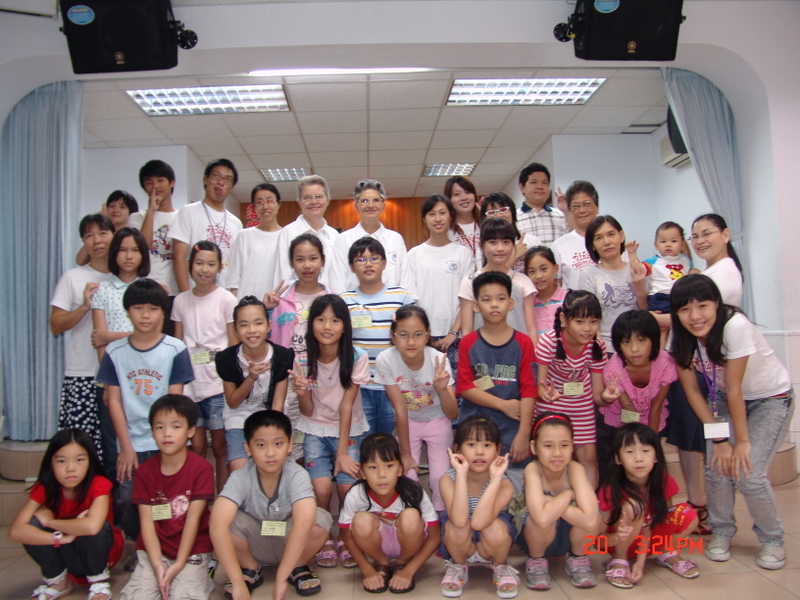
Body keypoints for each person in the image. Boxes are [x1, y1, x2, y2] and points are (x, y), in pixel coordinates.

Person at [670, 274, 793, 570]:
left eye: (702, 306)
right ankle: (722, 531)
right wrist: (720, 440)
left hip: (770, 399)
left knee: (748, 472)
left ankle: (772, 539)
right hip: (723, 399)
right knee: (716, 467)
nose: (694, 316)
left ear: (717, 304)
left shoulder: (734, 326)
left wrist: (742, 442)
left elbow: (735, 386)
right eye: (685, 309)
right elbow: (692, 391)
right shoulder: (680, 336)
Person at [94, 278, 195, 541]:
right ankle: (141, 545)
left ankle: (167, 545)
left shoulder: (175, 349)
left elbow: (174, 403)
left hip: (166, 440)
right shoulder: (114, 352)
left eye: (153, 309)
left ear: (163, 312)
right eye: (138, 308)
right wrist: (126, 447)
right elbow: (114, 401)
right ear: (128, 312)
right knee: (128, 498)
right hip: (131, 441)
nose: (145, 315)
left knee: (170, 498)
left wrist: (169, 443)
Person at [210, 410, 332, 600]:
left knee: (318, 519)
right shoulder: (240, 476)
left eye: (278, 443)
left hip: (289, 539)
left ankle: (295, 567)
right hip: (254, 542)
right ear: (248, 448)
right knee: (221, 520)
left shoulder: (297, 474)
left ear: (290, 445)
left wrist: (281, 578)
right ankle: (250, 568)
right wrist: (237, 582)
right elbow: (217, 526)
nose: (270, 453)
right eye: (261, 445)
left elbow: (303, 523)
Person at [289, 294, 371, 569]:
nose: (327, 326)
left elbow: (347, 406)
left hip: (349, 430)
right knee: (321, 489)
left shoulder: (357, 357)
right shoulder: (303, 359)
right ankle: (323, 535)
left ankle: (347, 536)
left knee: (347, 488)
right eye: (321, 319)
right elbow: (308, 411)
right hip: (314, 429)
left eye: (335, 320)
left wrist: (342, 453)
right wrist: (302, 393)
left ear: (345, 326)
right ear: (311, 324)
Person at [119, 395, 216, 600]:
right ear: (152, 432)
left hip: (192, 549)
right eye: (159, 427)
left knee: (182, 596)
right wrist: (157, 565)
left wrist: (179, 563)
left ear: (190, 431)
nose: (167, 433)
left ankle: (202, 578)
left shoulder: (202, 468)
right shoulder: (145, 471)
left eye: (175, 426)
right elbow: (146, 523)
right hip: (154, 549)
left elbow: (193, 520)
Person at [9, 429, 123, 600]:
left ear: (90, 461)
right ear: (51, 463)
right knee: (33, 524)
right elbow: (16, 531)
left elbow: (93, 527)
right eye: (61, 461)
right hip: (67, 551)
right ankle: (59, 582)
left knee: (98, 525)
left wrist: (51, 522)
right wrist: (61, 539)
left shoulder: (99, 484)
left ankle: (98, 581)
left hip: (99, 553)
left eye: (79, 460)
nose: (71, 468)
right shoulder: (45, 487)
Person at [456, 271, 536, 493]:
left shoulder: (524, 343)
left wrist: (524, 434)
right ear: (475, 306)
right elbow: (464, 386)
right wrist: (503, 405)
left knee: (515, 491)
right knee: (476, 492)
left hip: (512, 431)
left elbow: (529, 390)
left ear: (511, 303)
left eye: (500, 298)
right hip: (476, 430)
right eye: (486, 299)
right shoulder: (468, 343)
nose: (494, 304)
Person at [374, 305, 458, 511]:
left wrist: (441, 390)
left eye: (418, 334)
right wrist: (405, 454)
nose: (411, 342)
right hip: (408, 421)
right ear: (393, 336)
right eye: (403, 335)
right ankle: (414, 514)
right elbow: (400, 409)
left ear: (427, 334)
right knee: (408, 475)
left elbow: (452, 413)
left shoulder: (439, 360)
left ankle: (440, 513)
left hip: (438, 419)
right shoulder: (385, 359)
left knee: (439, 478)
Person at [598, 423, 699, 588]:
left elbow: (657, 522)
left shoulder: (663, 481)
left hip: (649, 540)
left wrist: (640, 562)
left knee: (688, 513)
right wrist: (617, 537)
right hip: (619, 543)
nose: (638, 458)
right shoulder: (609, 489)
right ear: (618, 458)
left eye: (645, 451)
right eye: (629, 452)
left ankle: (666, 552)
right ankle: (619, 560)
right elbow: (598, 541)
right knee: (635, 506)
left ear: (656, 456)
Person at [171, 241, 238, 492]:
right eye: (199, 263)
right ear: (190, 266)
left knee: (220, 445)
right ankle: (198, 497)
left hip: (217, 385)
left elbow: (233, 345)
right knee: (196, 445)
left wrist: (232, 380)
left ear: (220, 267)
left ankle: (222, 497)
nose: (204, 269)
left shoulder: (227, 299)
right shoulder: (180, 300)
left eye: (211, 264)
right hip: (190, 385)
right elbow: (177, 344)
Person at [338, 433, 441, 594]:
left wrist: (409, 570)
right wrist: (367, 570)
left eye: (389, 466)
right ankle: (381, 564)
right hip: (376, 546)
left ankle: (402, 564)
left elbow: (434, 537)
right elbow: (347, 536)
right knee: (361, 520)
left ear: (400, 469)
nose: (382, 475)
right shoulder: (356, 494)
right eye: (373, 467)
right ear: (362, 472)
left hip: (408, 544)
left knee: (411, 516)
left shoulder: (413, 491)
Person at [50, 214, 113, 464]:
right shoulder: (73, 277)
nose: (97, 240)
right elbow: (56, 325)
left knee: (115, 447)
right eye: (89, 235)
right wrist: (84, 306)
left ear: (114, 235)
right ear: (83, 242)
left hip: (119, 375)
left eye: (103, 233)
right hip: (82, 375)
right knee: (79, 449)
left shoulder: (125, 277)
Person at [264, 233, 330, 461]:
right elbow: (263, 337)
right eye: (300, 259)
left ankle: (317, 471)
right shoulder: (280, 301)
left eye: (313, 258)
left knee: (318, 431)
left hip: (322, 376)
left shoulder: (330, 299)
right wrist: (267, 310)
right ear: (292, 263)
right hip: (289, 378)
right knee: (290, 431)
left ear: (322, 260)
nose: (307, 265)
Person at [340, 237, 415, 436]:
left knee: (392, 441)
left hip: (395, 384)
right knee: (365, 441)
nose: (368, 264)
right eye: (360, 260)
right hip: (359, 386)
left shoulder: (401, 297)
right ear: (351, 267)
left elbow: (414, 337)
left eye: (374, 258)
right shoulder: (344, 301)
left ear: (384, 263)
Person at [517, 412, 600, 590]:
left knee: (595, 514)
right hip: (535, 538)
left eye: (564, 445)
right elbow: (541, 519)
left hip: (570, 538)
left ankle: (578, 558)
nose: (557, 453)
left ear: (572, 447)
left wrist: (552, 502)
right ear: (534, 447)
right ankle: (537, 561)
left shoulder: (575, 469)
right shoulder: (533, 469)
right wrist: (567, 495)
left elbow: (590, 520)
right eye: (548, 446)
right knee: (537, 519)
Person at [439, 416, 519, 599]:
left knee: (495, 526)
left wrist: (495, 480)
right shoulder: (448, 479)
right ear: (458, 449)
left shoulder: (505, 484)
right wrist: (460, 474)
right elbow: (459, 520)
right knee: (456, 526)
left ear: (498, 450)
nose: (480, 452)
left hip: (489, 545)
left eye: (487, 445)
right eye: (471, 445)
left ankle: (500, 566)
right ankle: (458, 566)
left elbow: (479, 523)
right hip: (461, 544)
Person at [536, 290, 607, 488]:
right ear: (564, 319)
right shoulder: (549, 341)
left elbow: (597, 396)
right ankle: (548, 499)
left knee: (589, 458)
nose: (587, 328)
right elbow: (538, 387)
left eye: (593, 322)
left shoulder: (598, 346)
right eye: (580, 321)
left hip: (582, 406)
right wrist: (546, 394)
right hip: (552, 404)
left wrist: (607, 396)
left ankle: (589, 502)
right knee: (551, 457)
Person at [214, 296, 294, 471]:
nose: (252, 330)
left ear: (269, 326)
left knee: (271, 465)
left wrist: (269, 436)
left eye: (258, 323)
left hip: (271, 419)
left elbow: (277, 405)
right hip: (239, 419)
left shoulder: (282, 356)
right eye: (244, 325)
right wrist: (250, 378)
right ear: (235, 329)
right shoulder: (227, 359)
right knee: (239, 467)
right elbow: (233, 402)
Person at [598, 310, 677, 484]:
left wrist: (651, 443)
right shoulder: (614, 368)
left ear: (653, 340)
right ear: (618, 345)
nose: (634, 349)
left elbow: (657, 406)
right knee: (625, 464)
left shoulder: (665, 363)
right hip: (622, 419)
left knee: (652, 463)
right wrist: (635, 446)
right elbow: (629, 411)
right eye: (626, 342)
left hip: (652, 415)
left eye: (641, 340)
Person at [406, 194, 472, 372]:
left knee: (455, 385)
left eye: (442, 213)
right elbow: (411, 299)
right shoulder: (414, 254)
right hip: (422, 335)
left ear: (450, 216)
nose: (437, 219)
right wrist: (422, 333)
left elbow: (467, 299)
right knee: (424, 385)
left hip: (455, 335)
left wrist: (453, 333)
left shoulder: (463, 253)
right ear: (424, 219)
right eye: (432, 214)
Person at [329, 179, 415, 296]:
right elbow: (337, 283)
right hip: (353, 306)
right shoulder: (343, 239)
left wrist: (404, 306)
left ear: (383, 205)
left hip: (394, 306)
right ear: (356, 206)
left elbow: (406, 281)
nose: (370, 205)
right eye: (364, 201)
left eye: (376, 200)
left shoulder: (395, 239)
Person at [458, 219, 537, 344]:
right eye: (493, 242)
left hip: (518, 351)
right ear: (481, 245)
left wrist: (532, 353)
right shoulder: (470, 282)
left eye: (506, 242)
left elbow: (531, 329)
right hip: (481, 352)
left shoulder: (523, 281)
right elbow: (467, 330)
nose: (500, 248)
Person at [170, 158, 243, 292]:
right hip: (194, 292)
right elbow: (179, 258)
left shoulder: (236, 223)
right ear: (205, 179)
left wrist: (233, 297)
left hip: (224, 296)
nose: (221, 182)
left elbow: (236, 267)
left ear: (231, 187)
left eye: (227, 179)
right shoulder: (188, 212)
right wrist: (186, 296)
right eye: (216, 176)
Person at [577, 215, 647, 349]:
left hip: (638, 346)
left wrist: (640, 290)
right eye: (599, 238)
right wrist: (599, 349)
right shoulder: (588, 275)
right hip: (606, 347)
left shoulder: (638, 270)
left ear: (621, 236)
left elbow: (647, 313)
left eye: (611, 234)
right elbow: (587, 318)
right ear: (592, 246)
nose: (607, 242)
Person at [128, 159, 180, 333]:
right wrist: (151, 211)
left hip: (176, 292)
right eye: (149, 182)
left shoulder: (182, 216)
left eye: (160, 180)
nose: (155, 186)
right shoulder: (137, 218)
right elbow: (142, 247)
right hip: (147, 292)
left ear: (171, 183)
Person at [91, 227, 150, 359]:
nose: (129, 256)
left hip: (147, 364)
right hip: (113, 364)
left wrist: (109, 336)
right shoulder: (101, 290)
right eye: (122, 250)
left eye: (135, 250)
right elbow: (99, 339)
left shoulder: (151, 289)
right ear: (114, 253)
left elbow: (153, 336)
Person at [275, 175, 339, 291]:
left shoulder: (334, 235)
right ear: (299, 202)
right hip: (298, 299)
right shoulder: (288, 232)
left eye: (319, 196)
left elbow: (338, 274)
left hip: (331, 298)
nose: (314, 202)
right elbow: (284, 274)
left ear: (327, 200)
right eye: (307, 198)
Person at [227, 183, 283, 300]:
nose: (265, 206)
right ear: (254, 207)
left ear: (278, 204)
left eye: (270, 201)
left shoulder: (287, 236)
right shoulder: (244, 236)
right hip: (248, 302)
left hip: (278, 301)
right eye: (259, 202)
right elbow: (234, 280)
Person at [625, 221, 693, 314]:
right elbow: (638, 269)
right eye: (663, 241)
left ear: (682, 244)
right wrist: (632, 253)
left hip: (680, 296)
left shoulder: (686, 260)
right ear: (656, 245)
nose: (668, 244)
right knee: (661, 318)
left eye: (673, 241)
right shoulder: (652, 262)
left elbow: (692, 273)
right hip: (660, 297)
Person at [550, 181, 599, 290]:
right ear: (570, 210)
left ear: (597, 207)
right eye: (576, 206)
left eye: (587, 204)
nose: (582, 210)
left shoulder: (611, 240)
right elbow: (556, 286)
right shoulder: (559, 245)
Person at [477, 192, 541, 274]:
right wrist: (514, 255)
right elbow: (487, 278)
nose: (498, 215)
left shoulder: (532, 241)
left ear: (513, 212)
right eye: (492, 212)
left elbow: (539, 274)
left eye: (503, 209)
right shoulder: (483, 248)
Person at [690, 213, 743, 307]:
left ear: (725, 235)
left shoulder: (725, 272)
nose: (700, 241)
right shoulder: (713, 270)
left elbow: (696, 310)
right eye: (695, 237)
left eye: (707, 234)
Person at [75, 191, 139, 265]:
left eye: (122, 207)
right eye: (111, 206)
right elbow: (80, 261)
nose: (115, 210)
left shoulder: (134, 235)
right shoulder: (101, 236)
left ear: (131, 212)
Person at [515, 163, 568, 245]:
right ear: (522, 187)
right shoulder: (514, 219)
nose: (540, 186)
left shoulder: (562, 216)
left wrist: (567, 211)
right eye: (534, 182)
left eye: (544, 183)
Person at [524, 246, 567, 338]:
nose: (538, 276)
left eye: (543, 269)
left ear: (555, 269)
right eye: (532, 271)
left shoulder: (569, 299)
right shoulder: (527, 305)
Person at [444, 176, 482, 273]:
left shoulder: (486, 225)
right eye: (457, 194)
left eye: (468, 192)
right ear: (449, 200)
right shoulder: (445, 232)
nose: (464, 198)